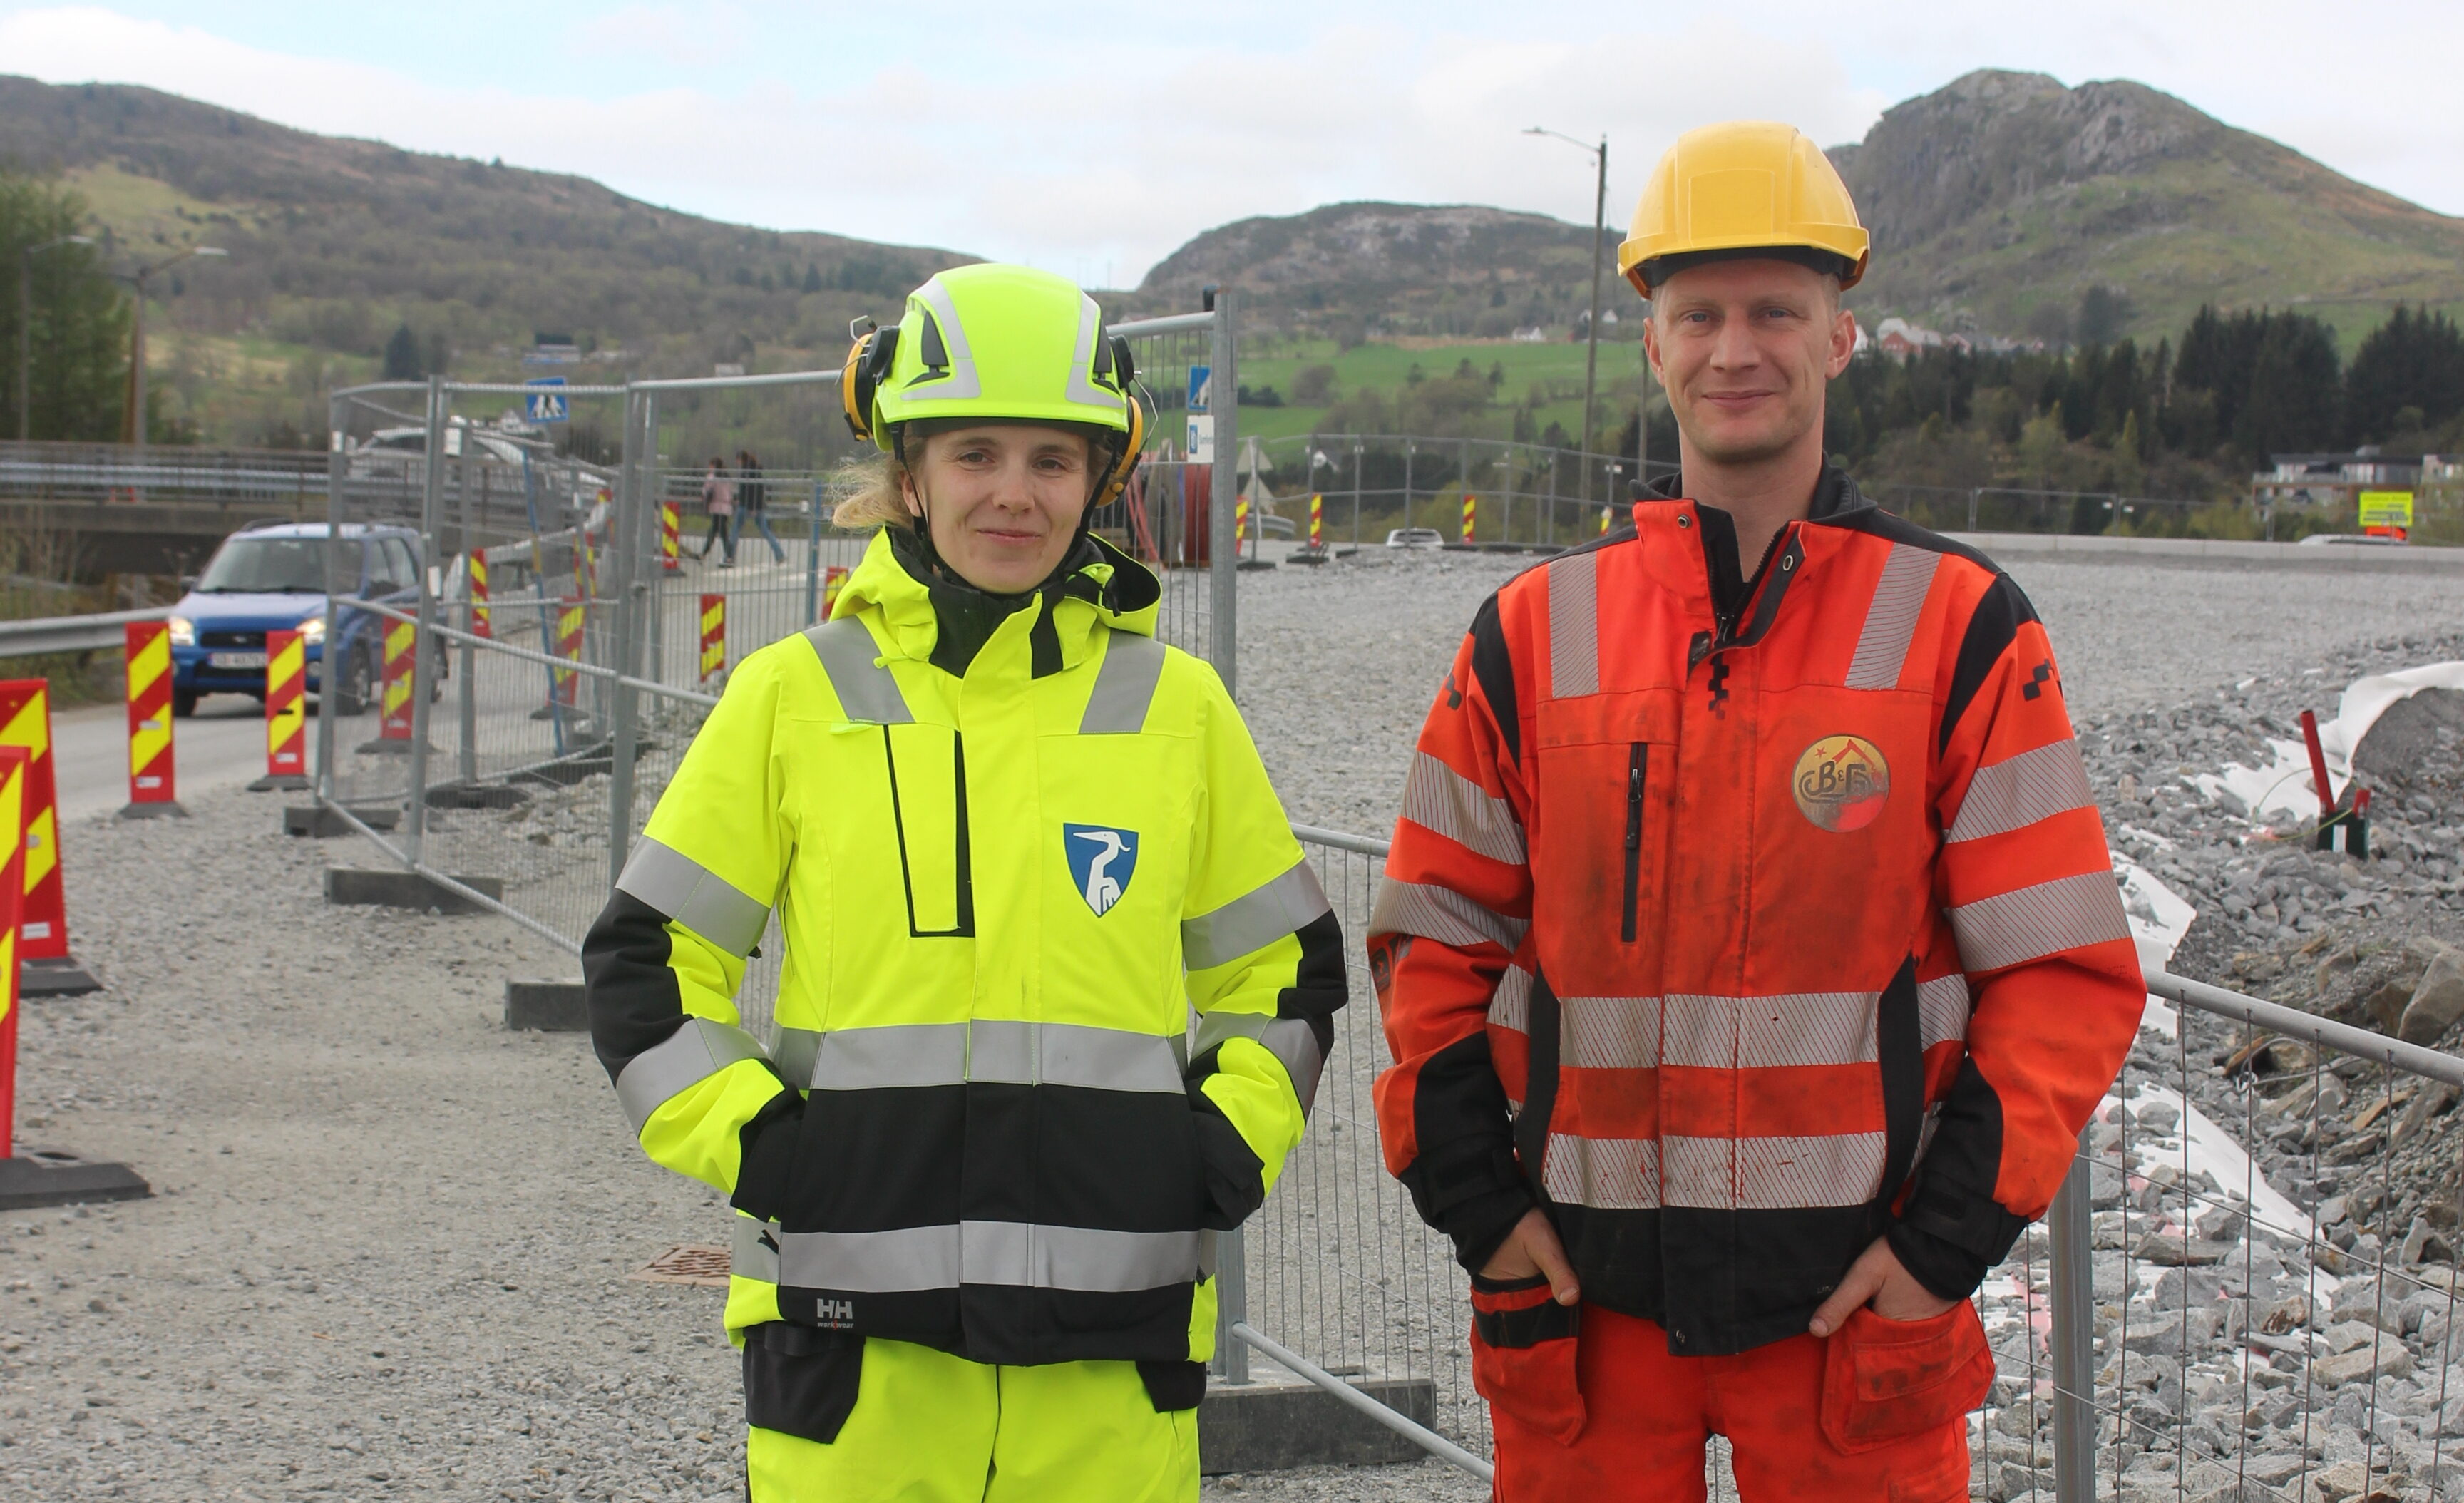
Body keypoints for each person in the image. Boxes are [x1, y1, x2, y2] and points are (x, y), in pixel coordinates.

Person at [1367, 120, 2144, 1502]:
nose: (1737, 348)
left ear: (1840, 336)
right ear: (1653, 344)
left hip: (1857, 1319)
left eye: (1776, 311)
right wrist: (1480, 1207)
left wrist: (1941, 1249)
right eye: (1700, 314)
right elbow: (1430, 944)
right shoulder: (1531, 634)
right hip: (1584, 1314)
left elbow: (2062, 973)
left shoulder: (1962, 626)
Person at [583, 263, 1344, 1503]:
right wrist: (767, 1150)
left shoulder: (1178, 709)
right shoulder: (794, 695)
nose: (1013, 493)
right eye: (974, 453)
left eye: (1053, 460)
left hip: (1111, 1355)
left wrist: (1215, 1153)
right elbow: (646, 961)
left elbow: (1287, 974)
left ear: (1099, 480)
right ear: (910, 473)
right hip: (856, 1361)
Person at [739, 448, 788, 563]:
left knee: (735, 530)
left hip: (751, 506)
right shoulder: (756, 471)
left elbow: (751, 491)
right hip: (758, 506)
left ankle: (729, 557)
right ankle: (779, 554)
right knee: (766, 531)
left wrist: (752, 507)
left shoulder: (748, 472)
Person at [696, 456, 737, 567]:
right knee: (717, 531)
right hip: (726, 507)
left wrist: (704, 499)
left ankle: (728, 556)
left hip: (716, 506)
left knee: (720, 532)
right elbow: (731, 493)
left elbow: (706, 491)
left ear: (713, 466)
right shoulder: (727, 477)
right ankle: (705, 554)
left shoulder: (712, 477)